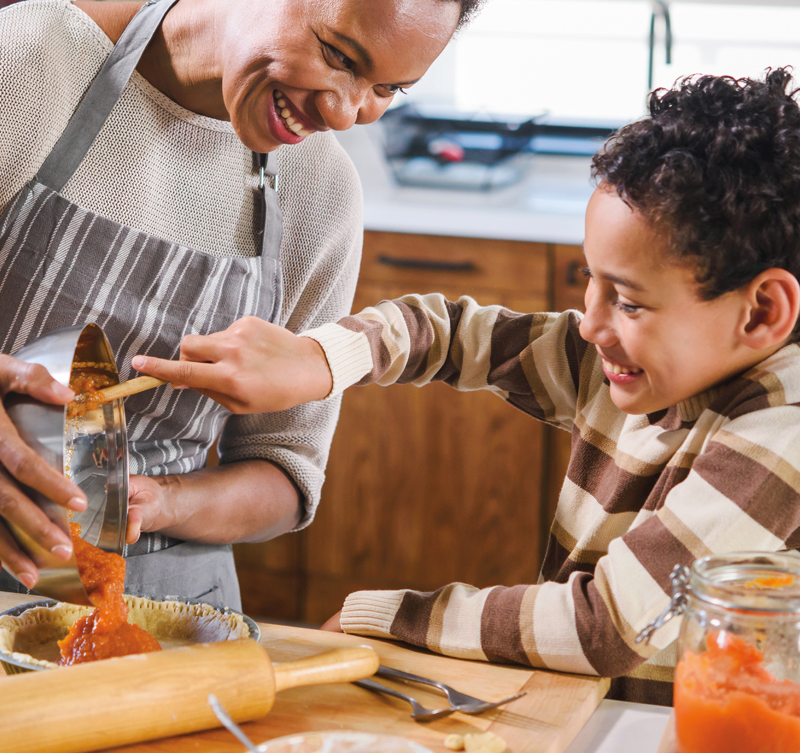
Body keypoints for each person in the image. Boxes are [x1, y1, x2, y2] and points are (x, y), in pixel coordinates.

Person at [0, 0, 527, 607]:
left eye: (387, 90)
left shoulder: (320, 195)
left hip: (168, 605)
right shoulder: (34, 66)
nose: (350, 111)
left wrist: (158, 502)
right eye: (341, 55)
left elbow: (283, 473)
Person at [136, 69, 800, 703]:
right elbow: (448, 333)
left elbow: (602, 625)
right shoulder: (645, 362)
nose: (591, 323)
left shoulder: (781, 432)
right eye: (589, 281)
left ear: (762, 312)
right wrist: (320, 360)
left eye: (628, 301)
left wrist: (389, 617)